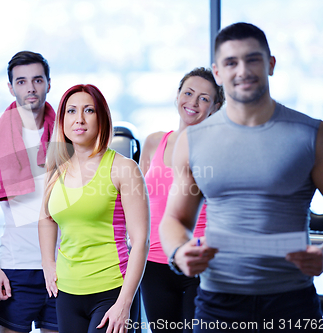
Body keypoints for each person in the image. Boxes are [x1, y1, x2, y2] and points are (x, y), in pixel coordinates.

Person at [159, 22, 323, 332]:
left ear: (270, 64)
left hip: (292, 303)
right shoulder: (192, 141)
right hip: (218, 304)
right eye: (231, 62)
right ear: (218, 72)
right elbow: (175, 219)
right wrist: (179, 253)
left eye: (252, 59)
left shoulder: (314, 135)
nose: (242, 70)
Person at [39, 84, 150, 333]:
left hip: (111, 290)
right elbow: (46, 218)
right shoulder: (56, 168)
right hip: (67, 291)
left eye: (88, 110)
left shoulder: (123, 168)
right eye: (71, 111)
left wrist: (125, 302)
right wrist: (47, 262)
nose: (79, 119)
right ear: (62, 120)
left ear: (101, 118)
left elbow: (141, 240)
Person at [0, 51, 58, 333]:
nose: (30, 88)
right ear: (10, 87)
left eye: (37, 80)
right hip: (15, 266)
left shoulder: (68, 134)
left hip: (65, 264)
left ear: (48, 83)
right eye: (21, 82)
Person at [139, 67, 224, 333]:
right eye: (188, 93)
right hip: (153, 261)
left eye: (204, 98)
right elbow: (137, 200)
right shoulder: (154, 142)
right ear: (177, 96)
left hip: (198, 260)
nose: (193, 102)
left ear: (215, 106)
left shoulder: (219, 149)